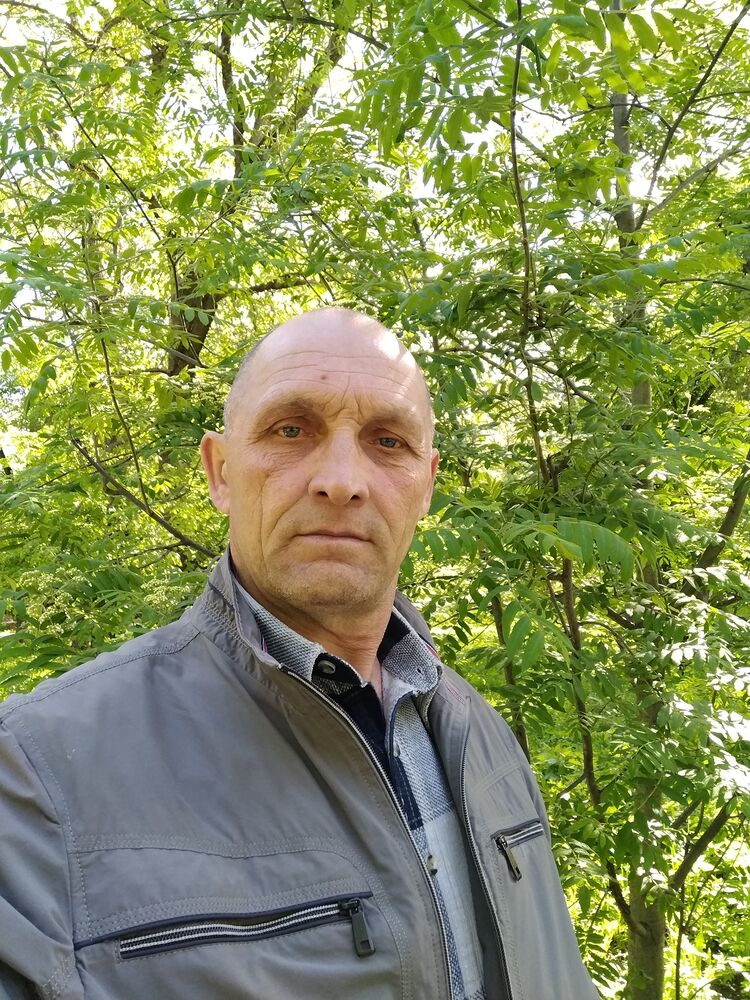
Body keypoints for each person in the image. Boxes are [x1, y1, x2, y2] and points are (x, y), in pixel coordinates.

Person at [0, 308, 597, 1000]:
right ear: (220, 471)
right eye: (291, 430)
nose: (341, 480)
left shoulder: (481, 739)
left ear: (426, 486)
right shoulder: (40, 776)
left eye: (388, 441)